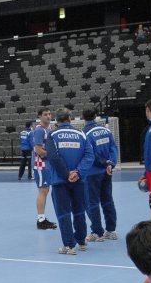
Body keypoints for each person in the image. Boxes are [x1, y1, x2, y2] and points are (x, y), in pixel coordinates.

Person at [45, 108, 93, 255]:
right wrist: (78, 172)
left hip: (60, 181)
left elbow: (53, 158)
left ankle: (69, 245)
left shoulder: (52, 135)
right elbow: (89, 156)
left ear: (57, 121)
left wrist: (66, 174)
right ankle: (81, 241)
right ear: (70, 119)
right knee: (79, 210)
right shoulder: (81, 134)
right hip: (78, 180)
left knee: (63, 213)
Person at [81, 109, 118, 242]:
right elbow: (113, 148)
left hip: (92, 173)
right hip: (106, 172)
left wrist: (103, 163)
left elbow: (91, 155)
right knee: (108, 200)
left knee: (92, 203)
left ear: (83, 118)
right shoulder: (106, 131)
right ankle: (111, 230)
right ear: (96, 117)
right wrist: (110, 164)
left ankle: (97, 232)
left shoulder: (85, 133)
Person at [30, 108, 57, 230]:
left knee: (45, 191)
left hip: (48, 165)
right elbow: (39, 150)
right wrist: (53, 154)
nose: (48, 116)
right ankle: (40, 220)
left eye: (49, 114)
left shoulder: (48, 130)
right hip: (41, 165)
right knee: (43, 191)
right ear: (40, 117)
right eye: (45, 114)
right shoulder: (39, 130)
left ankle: (42, 218)